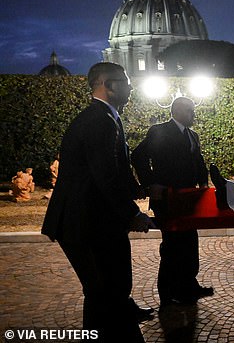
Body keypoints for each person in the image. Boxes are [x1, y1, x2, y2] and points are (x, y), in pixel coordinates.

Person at [41, 62, 155, 342]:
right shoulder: (100, 121)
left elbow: (114, 166)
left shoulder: (103, 117)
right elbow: (104, 174)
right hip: (87, 222)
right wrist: (133, 213)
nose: (131, 88)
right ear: (109, 85)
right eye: (126, 83)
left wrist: (137, 189)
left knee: (107, 290)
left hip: (90, 220)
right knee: (104, 291)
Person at [131, 97, 213, 308]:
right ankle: (168, 293)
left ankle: (189, 285)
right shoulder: (159, 131)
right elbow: (138, 156)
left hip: (188, 199)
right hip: (167, 198)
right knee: (172, 246)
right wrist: (150, 184)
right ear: (177, 110)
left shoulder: (192, 135)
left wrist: (204, 183)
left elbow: (199, 162)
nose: (194, 115)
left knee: (190, 242)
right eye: (190, 111)